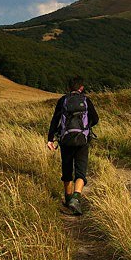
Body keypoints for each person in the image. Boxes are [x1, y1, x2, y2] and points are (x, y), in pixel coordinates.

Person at [47, 76, 99, 215]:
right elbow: (96, 119)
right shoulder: (86, 100)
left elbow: (55, 120)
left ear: (69, 88)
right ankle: (76, 198)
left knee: (67, 170)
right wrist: (86, 129)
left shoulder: (63, 100)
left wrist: (50, 139)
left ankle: (69, 200)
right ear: (81, 88)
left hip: (66, 140)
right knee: (81, 170)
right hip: (82, 140)